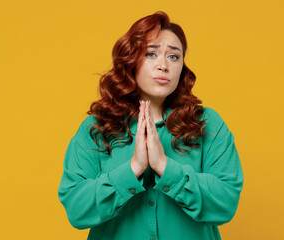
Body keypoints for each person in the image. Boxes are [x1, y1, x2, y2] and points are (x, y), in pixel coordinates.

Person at [58, 11, 244, 240]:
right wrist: (133, 169)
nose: (163, 65)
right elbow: (77, 210)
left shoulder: (208, 124)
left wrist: (166, 167)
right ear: (130, 61)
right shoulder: (96, 128)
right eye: (151, 54)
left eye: (174, 57)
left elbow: (226, 202)